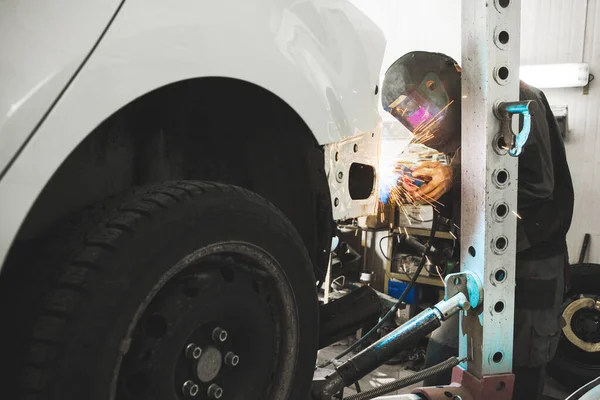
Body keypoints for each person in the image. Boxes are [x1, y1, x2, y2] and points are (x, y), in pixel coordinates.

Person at [381, 51, 574, 399]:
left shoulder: (512, 97)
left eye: (414, 108)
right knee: (443, 352)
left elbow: (537, 186)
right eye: (404, 115)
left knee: (522, 369)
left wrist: (454, 175)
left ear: (435, 84)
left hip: (531, 259)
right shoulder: (444, 123)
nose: (415, 121)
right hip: (477, 258)